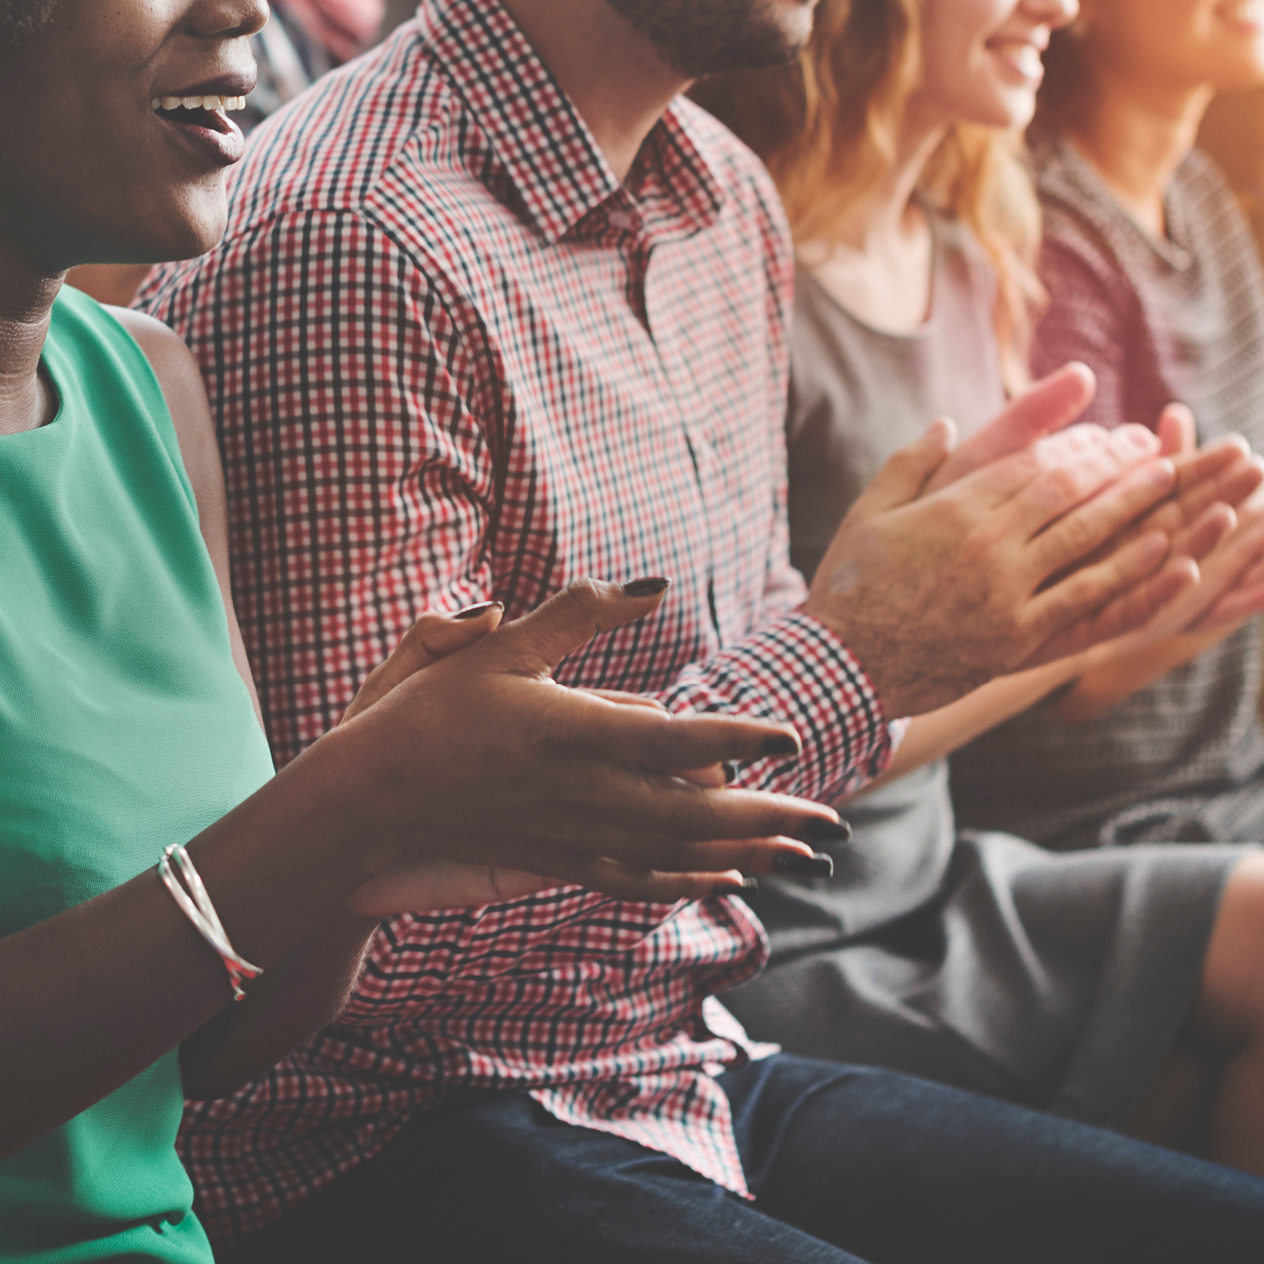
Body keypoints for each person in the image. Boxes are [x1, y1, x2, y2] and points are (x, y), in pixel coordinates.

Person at [137, 0, 1264, 1259]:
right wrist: (862, 643)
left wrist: (1000, 606)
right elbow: (360, 930)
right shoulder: (355, 238)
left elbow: (763, 670)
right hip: (378, 1126)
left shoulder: (725, 195)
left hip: (674, 1059)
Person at [0, 1, 875, 1258]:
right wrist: (345, 807)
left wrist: (357, 865)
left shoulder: (148, 388)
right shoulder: (352, 228)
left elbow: (205, 1057)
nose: (240, 12)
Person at [698, 0, 1264, 1173]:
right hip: (793, 933)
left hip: (943, 873)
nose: (1059, 6)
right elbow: (764, 732)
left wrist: (1151, 595)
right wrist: (1079, 626)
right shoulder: (748, 275)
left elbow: (1038, 655)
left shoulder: (969, 247)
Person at [949, 1, 1264, 859]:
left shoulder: (1198, 198)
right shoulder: (1047, 235)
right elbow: (1073, 670)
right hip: (1106, 815)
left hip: (1229, 778)